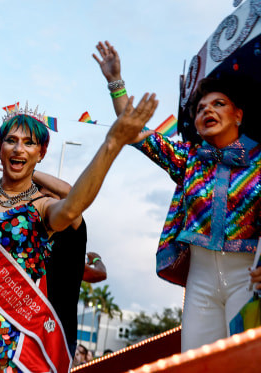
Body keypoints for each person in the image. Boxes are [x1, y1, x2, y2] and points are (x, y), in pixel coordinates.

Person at [0, 96, 158, 372]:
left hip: (17, 336)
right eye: (11, 140)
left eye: (29, 142)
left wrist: (112, 144)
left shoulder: (41, 206)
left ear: (41, 153)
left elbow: (71, 208)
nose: (19, 148)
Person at [93, 40, 261, 351]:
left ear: (238, 115)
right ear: (196, 124)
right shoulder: (188, 159)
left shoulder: (260, 163)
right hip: (201, 279)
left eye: (218, 104)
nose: (207, 110)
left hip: (247, 277)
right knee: (196, 362)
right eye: (200, 109)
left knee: (246, 361)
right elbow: (135, 132)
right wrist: (115, 82)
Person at [32, 169, 107, 356]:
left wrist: (29, 171)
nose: (46, 203)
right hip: (25, 326)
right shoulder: (27, 232)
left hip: (60, 332)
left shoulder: (72, 230)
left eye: (50, 198)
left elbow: (70, 192)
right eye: (42, 199)